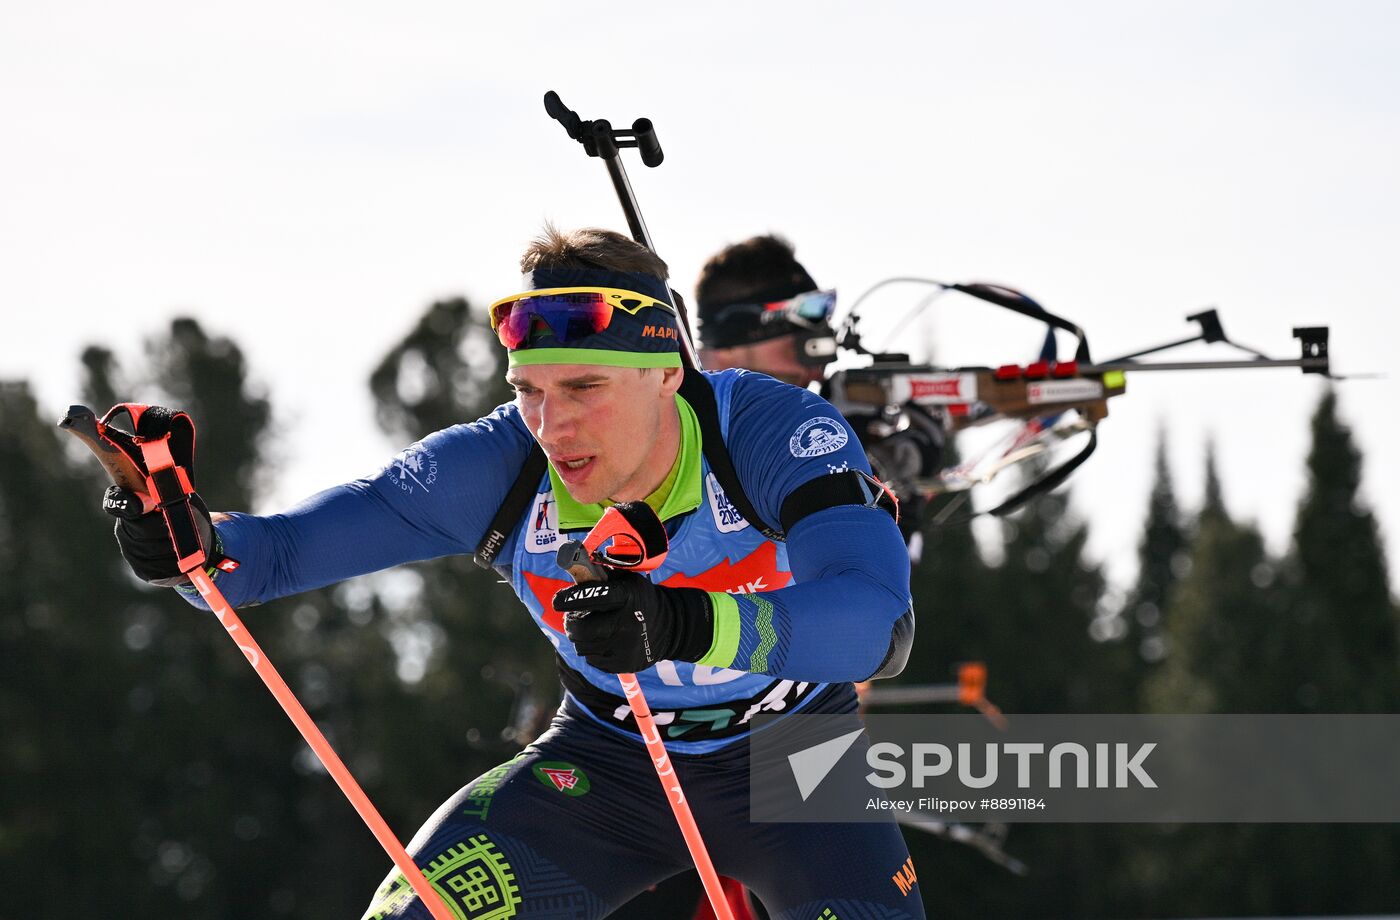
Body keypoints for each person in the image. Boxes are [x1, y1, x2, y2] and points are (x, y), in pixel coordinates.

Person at [106, 227, 924, 919]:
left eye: (584, 387)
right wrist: (191, 545)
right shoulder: (493, 465)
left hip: (798, 770)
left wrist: (682, 622)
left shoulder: (771, 432)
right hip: (607, 771)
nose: (553, 424)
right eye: (528, 390)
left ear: (668, 371)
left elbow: (876, 625)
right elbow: (273, 556)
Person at [695, 234, 944, 554]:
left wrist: (881, 492)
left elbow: (859, 586)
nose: (816, 373)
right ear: (733, 341)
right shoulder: (666, 419)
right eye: (803, 349)